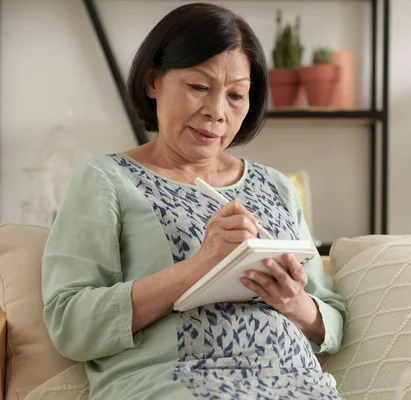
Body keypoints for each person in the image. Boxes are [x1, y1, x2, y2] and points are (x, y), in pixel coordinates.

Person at [41, 3, 346, 399]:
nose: (216, 112)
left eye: (236, 95)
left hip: (300, 387)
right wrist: (200, 266)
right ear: (153, 81)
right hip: (175, 387)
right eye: (199, 87)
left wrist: (294, 302)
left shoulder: (276, 185)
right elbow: (70, 324)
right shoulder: (106, 180)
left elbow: (331, 321)